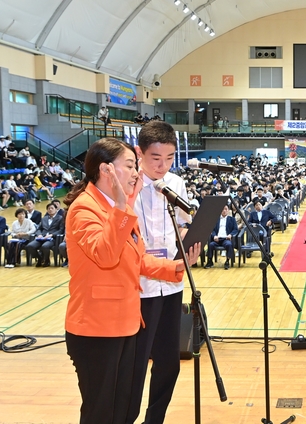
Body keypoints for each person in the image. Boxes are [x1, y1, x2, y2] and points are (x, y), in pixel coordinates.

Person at [64, 138, 199, 424]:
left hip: (125, 324)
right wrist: (125, 206)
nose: (137, 173)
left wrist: (178, 267)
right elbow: (105, 254)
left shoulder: (117, 208)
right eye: (129, 166)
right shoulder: (85, 209)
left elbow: (137, 260)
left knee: (126, 410)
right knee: (101, 412)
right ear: (106, 170)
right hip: (96, 329)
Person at [126, 121, 194, 424]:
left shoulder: (175, 183)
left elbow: (183, 223)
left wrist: (191, 241)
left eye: (169, 158)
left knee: (169, 362)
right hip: (140, 287)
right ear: (140, 153)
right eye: (156, 159)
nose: (162, 166)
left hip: (173, 283)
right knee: (137, 363)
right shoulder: (126, 185)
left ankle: (154, 419)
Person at [26, 202, 65, 267]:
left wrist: (51, 235)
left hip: (52, 239)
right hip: (42, 237)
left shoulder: (60, 218)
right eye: (49, 208)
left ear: (56, 209)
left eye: (52, 208)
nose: (50, 210)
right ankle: (40, 258)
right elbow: (38, 229)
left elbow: (61, 230)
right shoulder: (44, 218)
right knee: (30, 246)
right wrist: (39, 234)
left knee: (45, 246)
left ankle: (47, 261)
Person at [206, 203, 238, 269]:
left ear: (228, 210)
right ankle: (210, 261)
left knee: (229, 244)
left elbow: (235, 229)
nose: (224, 211)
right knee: (211, 245)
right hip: (217, 239)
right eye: (222, 209)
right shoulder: (216, 219)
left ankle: (227, 261)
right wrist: (214, 236)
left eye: (226, 209)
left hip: (226, 238)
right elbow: (212, 229)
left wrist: (230, 235)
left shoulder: (232, 219)